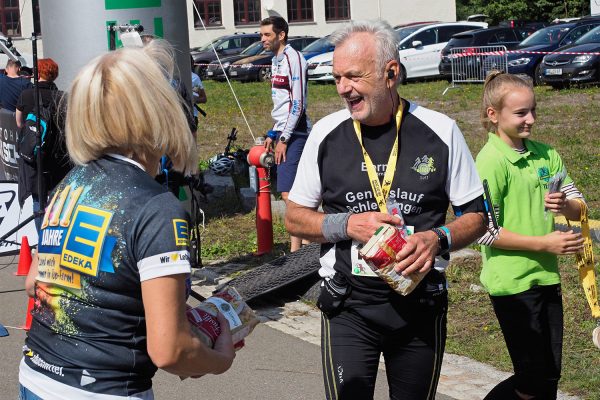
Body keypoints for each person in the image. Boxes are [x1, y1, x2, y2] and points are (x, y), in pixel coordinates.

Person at [19, 41, 235, 400]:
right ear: (158, 111)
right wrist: (217, 359)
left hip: (37, 375)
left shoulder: (70, 186)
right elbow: (170, 350)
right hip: (105, 389)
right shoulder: (158, 207)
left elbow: (34, 283)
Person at [285, 20, 486, 400]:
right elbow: (294, 217)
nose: (343, 88)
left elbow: (476, 216)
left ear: (391, 73)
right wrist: (347, 225)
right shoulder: (327, 133)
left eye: (354, 77)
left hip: (419, 306)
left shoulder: (441, 131)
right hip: (349, 305)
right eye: (337, 77)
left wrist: (437, 239)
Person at [475, 71, 585, 400]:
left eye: (533, 110)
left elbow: (580, 209)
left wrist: (565, 205)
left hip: (546, 278)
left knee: (549, 373)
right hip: (511, 283)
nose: (531, 120)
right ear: (494, 115)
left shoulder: (546, 155)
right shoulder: (490, 161)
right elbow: (484, 231)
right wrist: (544, 243)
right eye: (521, 113)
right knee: (530, 378)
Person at [260, 16, 312, 252]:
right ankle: (297, 251)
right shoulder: (275, 60)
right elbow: (281, 103)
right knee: (293, 192)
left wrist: (284, 138)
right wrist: (273, 131)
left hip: (296, 131)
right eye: (261, 35)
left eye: (267, 35)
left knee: (287, 192)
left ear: (281, 35)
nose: (263, 39)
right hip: (282, 130)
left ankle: (314, 240)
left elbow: (298, 104)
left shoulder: (294, 58)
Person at [16, 58, 71, 231]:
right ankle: (55, 239)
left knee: (38, 199)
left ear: (37, 74)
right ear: (54, 75)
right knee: (59, 200)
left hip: (34, 156)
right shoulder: (63, 98)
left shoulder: (26, 95)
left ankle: (41, 242)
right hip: (58, 158)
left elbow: (19, 123)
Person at [191, 54, 207, 129]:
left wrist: (194, 99)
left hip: (192, 115)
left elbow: (204, 98)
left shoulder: (195, 78)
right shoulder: (173, 77)